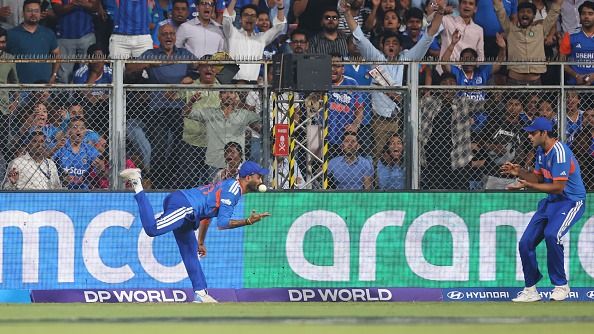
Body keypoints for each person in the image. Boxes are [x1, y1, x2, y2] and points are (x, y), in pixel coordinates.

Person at [118, 161, 271, 303]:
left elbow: (207, 217)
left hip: (190, 212)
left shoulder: (231, 187)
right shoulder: (233, 190)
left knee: (190, 251)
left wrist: (201, 242)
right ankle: (137, 182)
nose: (260, 181)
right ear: (248, 177)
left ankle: (200, 293)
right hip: (185, 206)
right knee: (152, 229)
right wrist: (248, 221)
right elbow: (222, 223)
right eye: (258, 177)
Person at [501, 117, 586, 302]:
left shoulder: (560, 152)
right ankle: (530, 290)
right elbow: (538, 178)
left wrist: (527, 186)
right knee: (525, 243)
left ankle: (561, 285)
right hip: (551, 202)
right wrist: (520, 172)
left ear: (544, 133)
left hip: (571, 202)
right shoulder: (541, 150)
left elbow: (558, 187)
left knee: (552, 235)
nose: (529, 136)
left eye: (533, 133)